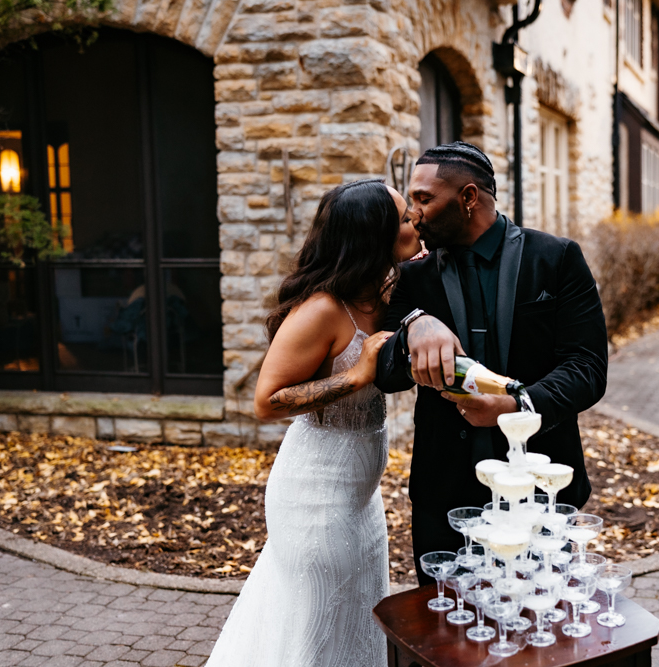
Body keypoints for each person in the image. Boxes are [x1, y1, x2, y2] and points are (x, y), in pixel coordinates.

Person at [206, 179, 421, 667]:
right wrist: (357, 376)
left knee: (357, 619)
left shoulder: (383, 293)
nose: (416, 225)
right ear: (374, 236)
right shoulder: (322, 309)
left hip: (361, 501)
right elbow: (266, 401)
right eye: (405, 220)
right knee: (318, 622)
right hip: (315, 499)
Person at [374, 141, 608, 584]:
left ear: (467, 198)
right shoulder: (412, 276)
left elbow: (587, 367)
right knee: (449, 629)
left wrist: (517, 407)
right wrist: (414, 325)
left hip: (540, 485)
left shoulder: (556, 259)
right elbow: (385, 372)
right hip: (445, 494)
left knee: (537, 623)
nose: (415, 212)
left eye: (425, 198)